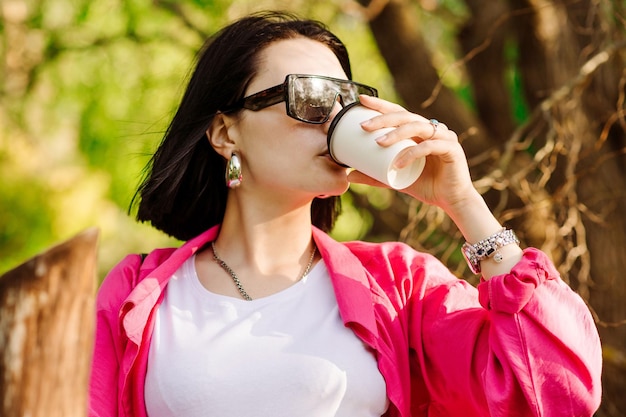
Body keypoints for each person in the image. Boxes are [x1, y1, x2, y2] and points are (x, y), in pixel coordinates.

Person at [88, 11, 602, 417]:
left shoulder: (400, 286)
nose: (337, 120)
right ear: (226, 133)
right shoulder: (139, 294)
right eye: (310, 99)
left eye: (348, 101)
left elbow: (556, 392)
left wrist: (464, 204)